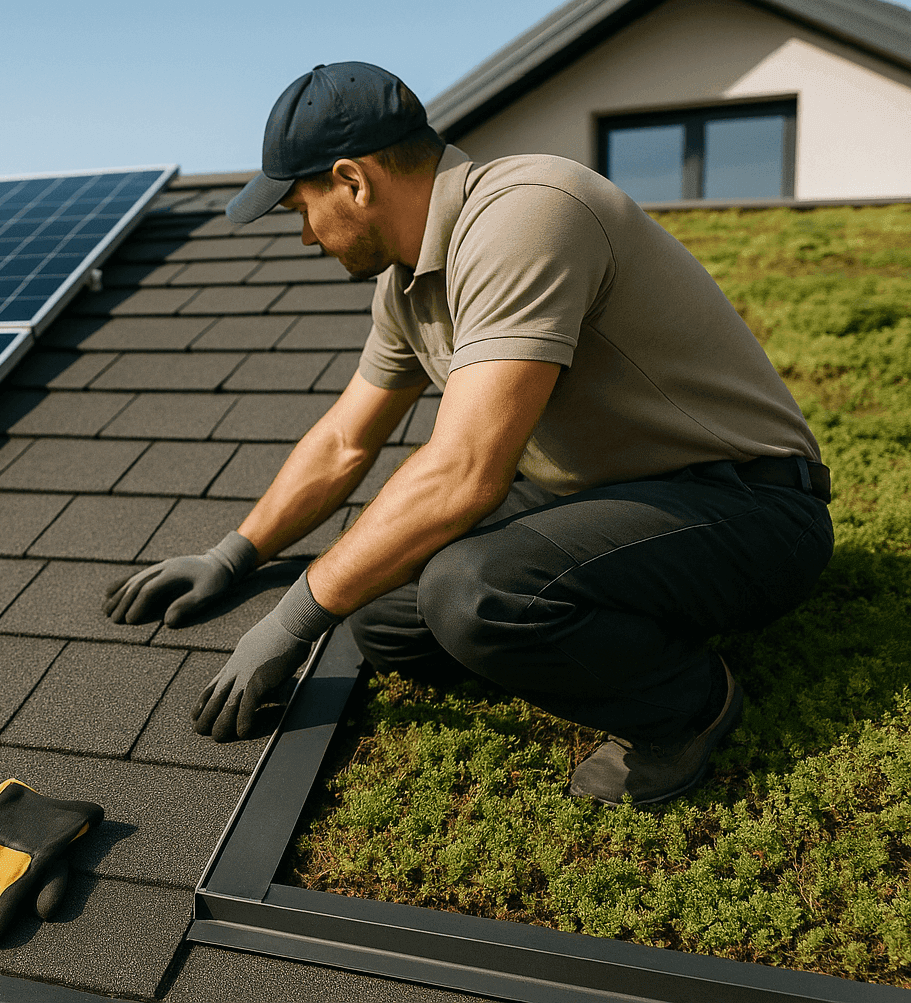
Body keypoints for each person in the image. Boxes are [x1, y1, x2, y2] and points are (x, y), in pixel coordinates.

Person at [103, 62, 833, 805]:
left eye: (299, 207)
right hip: (606, 496)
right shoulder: (409, 282)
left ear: (353, 181)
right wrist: (233, 555)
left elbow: (465, 473)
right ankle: (589, 637)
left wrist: (289, 625)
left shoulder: (529, 211)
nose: (301, 236)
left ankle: (687, 706)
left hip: (748, 507)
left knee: (471, 591)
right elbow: (345, 440)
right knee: (384, 618)